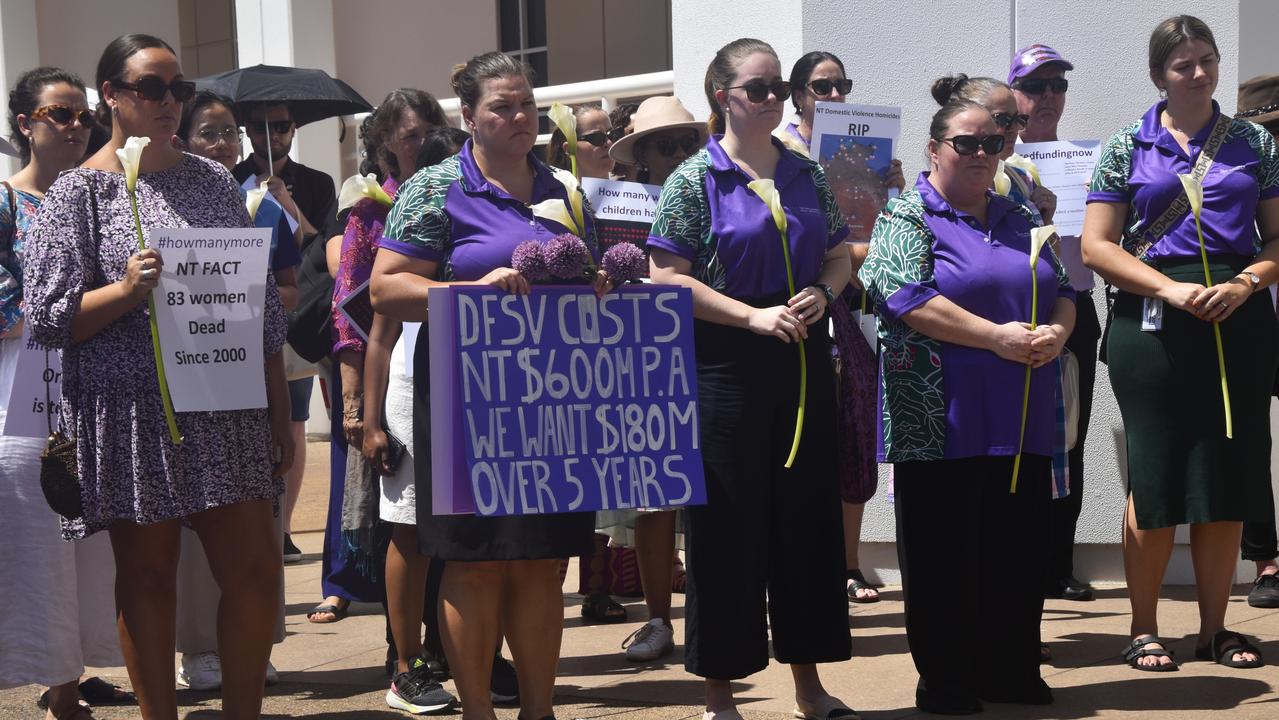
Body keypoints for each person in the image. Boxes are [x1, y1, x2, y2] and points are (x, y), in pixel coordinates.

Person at [22, 33, 292, 720]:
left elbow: (255, 304)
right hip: (129, 413)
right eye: (151, 87)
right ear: (110, 95)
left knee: (256, 573)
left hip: (221, 404)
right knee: (146, 578)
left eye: (179, 87)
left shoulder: (212, 181)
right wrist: (123, 290)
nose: (169, 102)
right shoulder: (78, 193)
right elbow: (49, 317)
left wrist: (274, 409)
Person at [370, 52, 602, 720]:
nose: (520, 116)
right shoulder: (437, 187)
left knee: (540, 562)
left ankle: (538, 710)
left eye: (527, 103)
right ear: (468, 116)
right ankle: (478, 711)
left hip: (554, 400)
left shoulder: (563, 186)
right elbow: (386, 288)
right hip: (466, 401)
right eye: (502, 105)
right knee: (474, 564)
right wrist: (463, 290)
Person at [647, 38, 854, 720]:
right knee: (728, 532)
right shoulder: (693, 178)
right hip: (725, 368)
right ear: (722, 95)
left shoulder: (805, 172)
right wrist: (751, 317)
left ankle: (809, 686)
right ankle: (719, 693)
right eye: (756, 88)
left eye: (777, 88)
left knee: (805, 526)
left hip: (800, 361)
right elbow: (666, 278)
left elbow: (838, 255)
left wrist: (823, 294)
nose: (770, 99)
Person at [861, 98, 1075, 714]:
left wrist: (1057, 333)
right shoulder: (907, 213)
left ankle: (1010, 668)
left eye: (993, 143)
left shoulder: (1017, 213)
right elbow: (907, 297)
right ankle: (949, 680)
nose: (982, 154)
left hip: (1022, 414)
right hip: (940, 421)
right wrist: (996, 336)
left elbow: (1061, 289)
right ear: (935, 148)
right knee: (942, 557)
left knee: (1018, 550)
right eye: (967, 143)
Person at [1082, 14, 1279, 671]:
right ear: (1156, 75)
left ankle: (1215, 629)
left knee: (1227, 474)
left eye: (1206, 59)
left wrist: (1248, 282)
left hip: (1238, 315)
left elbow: (1276, 238)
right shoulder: (1124, 146)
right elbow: (1095, 246)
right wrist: (1166, 291)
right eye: (1181, 64)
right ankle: (1141, 627)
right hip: (1153, 319)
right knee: (1157, 473)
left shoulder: (1254, 141)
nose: (1197, 73)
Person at [0, 65, 127, 720]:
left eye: (83, 115)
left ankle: (67, 680)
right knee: (40, 527)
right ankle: (50, 677)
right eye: (60, 113)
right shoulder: (2, 201)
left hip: (95, 371)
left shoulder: (101, 195)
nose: (76, 126)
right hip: (25, 373)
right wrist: (63, 309)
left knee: (87, 532)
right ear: (25, 123)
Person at [170, 89, 302, 691]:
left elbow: (289, 293)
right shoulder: (162, 207)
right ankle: (200, 647)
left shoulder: (266, 209)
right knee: (199, 529)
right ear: (183, 139)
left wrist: (243, 299)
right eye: (208, 132)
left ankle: (255, 640)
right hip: (188, 376)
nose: (222, 143)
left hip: (248, 372)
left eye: (229, 132)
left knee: (258, 525)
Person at [331, 89, 457, 715]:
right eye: (410, 135)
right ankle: (406, 663)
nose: (424, 143)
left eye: (433, 129)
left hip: (467, 380)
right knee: (407, 530)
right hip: (403, 379)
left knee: (464, 527)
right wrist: (362, 414)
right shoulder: (370, 213)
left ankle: (464, 651)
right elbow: (358, 320)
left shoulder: (468, 194)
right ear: (385, 144)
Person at [783, 50, 907, 605]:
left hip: (854, 310)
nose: (834, 96)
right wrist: (859, 251)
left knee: (855, 434)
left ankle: (849, 564)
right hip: (799, 303)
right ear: (798, 96)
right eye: (821, 86)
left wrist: (894, 191)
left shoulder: (863, 147)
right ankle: (791, 569)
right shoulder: (782, 153)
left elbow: (882, 239)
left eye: (841, 85)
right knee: (800, 443)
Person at [600, 94, 709, 662]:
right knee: (654, 495)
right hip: (643, 355)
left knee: (723, 489)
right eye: (667, 145)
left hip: (715, 350)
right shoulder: (615, 207)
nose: (682, 154)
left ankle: (725, 609)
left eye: (690, 142)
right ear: (641, 156)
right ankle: (659, 618)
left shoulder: (723, 192)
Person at [1009, 44, 1101, 603]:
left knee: (1070, 437)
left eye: (1057, 85)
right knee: (1018, 440)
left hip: (1073, 308)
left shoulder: (1086, 159)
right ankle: (1018, 566)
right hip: (1012, 312)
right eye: (1036, 85)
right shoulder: (993, 154)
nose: (1047, 97)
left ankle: (1058, 564)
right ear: (1014, 93)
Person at [233, 100, 337, 572]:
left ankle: (287, 527)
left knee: (293, 419)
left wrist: (289, 206)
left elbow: (324, 246)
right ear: (248, 132)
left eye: (280, 127)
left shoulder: (316, 182)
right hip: (234, 319)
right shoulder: (226, 178)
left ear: (293, 130)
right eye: (260, 127)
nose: (271, 136)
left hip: (295, 314)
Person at [1237, 73, 1279, 609]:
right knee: (1247, 442)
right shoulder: (1238, 170)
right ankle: (1265, 561)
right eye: (1267, 130)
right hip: (1249, 317)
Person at [546, 103, 615, 180]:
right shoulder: (560, 191)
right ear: (569, 149)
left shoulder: (630, 189)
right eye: (597, 138)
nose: (609, 143)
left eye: (612, 135)